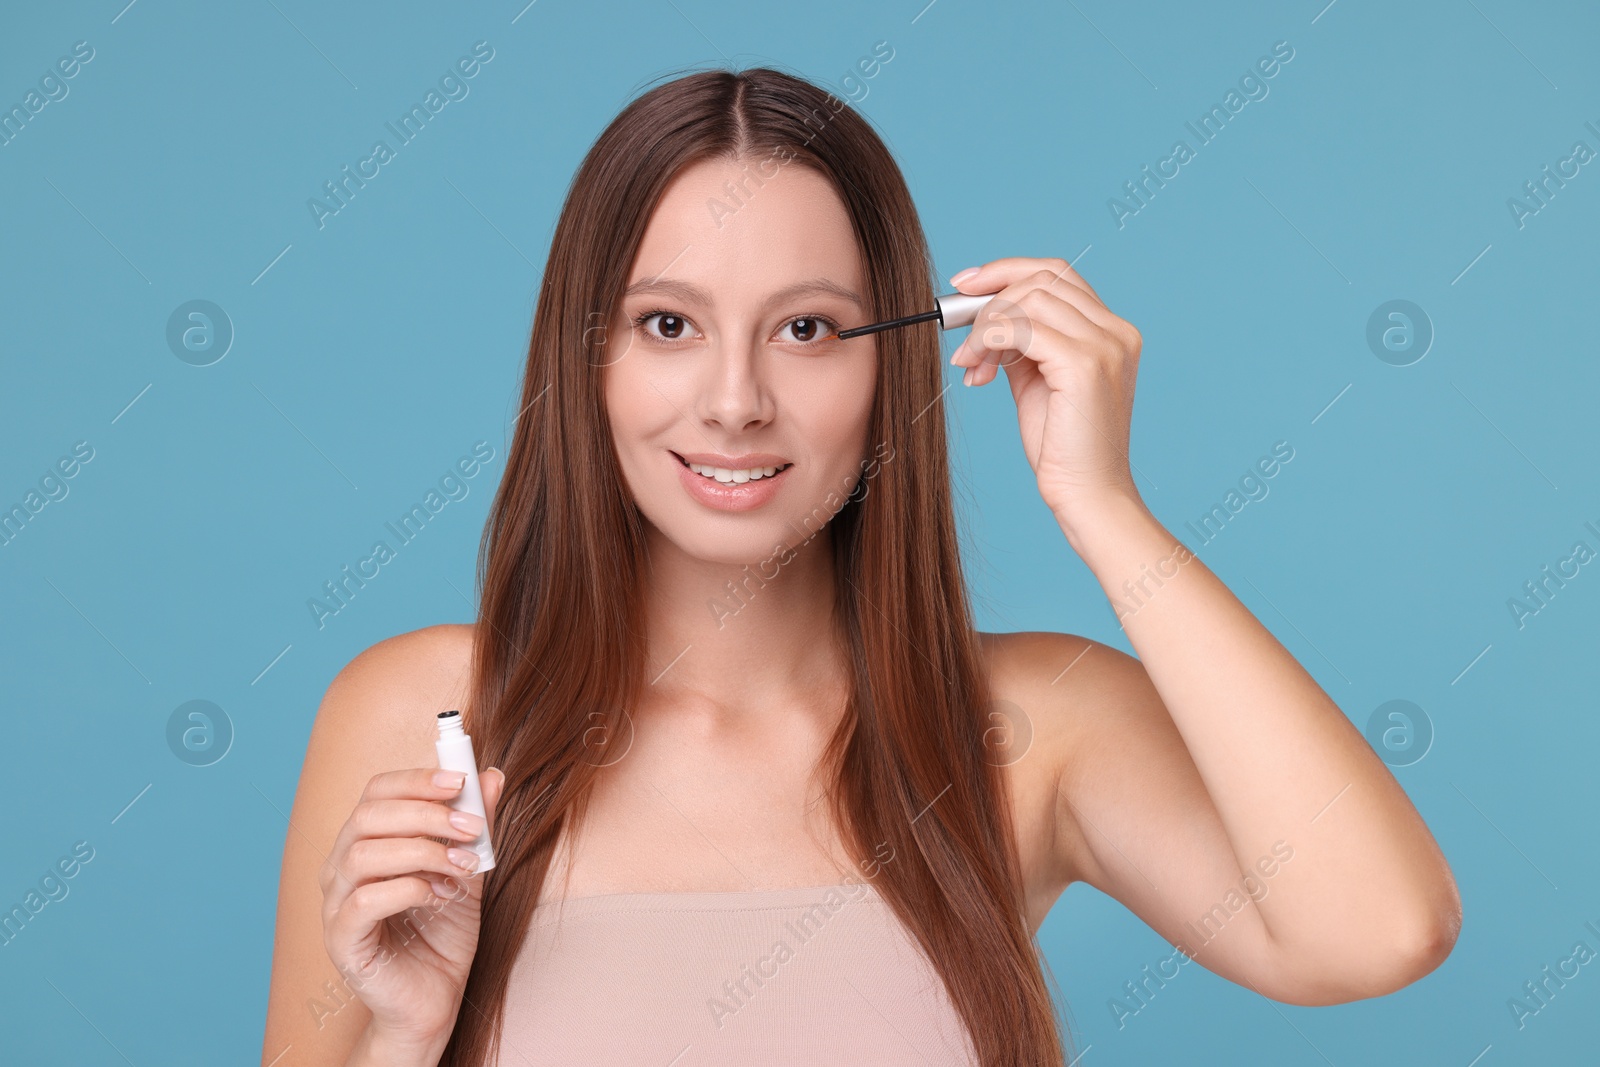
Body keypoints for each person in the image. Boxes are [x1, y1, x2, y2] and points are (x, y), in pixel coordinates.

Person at [261, 65, 1461, 1067]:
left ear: (896, 361)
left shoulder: (1029, 724)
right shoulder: (435, 720)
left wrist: (1101, 505)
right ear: (588, 360)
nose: (734, 402)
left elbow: (1379, 928)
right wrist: (403, 1034)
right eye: (667, 325)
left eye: (807, 329)